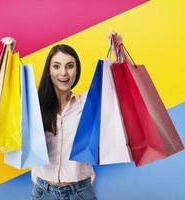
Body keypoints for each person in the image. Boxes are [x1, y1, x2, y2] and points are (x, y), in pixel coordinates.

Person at [31, 33, 122, 200]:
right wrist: (5, 59)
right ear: (49, 71)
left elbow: (119, 91)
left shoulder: (87, 103)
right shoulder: (34, 106)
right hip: (43, 192)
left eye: (70, 66)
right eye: (56, 66)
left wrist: (118, 52)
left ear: (77, 70)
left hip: (80, 193)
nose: (63, 72)